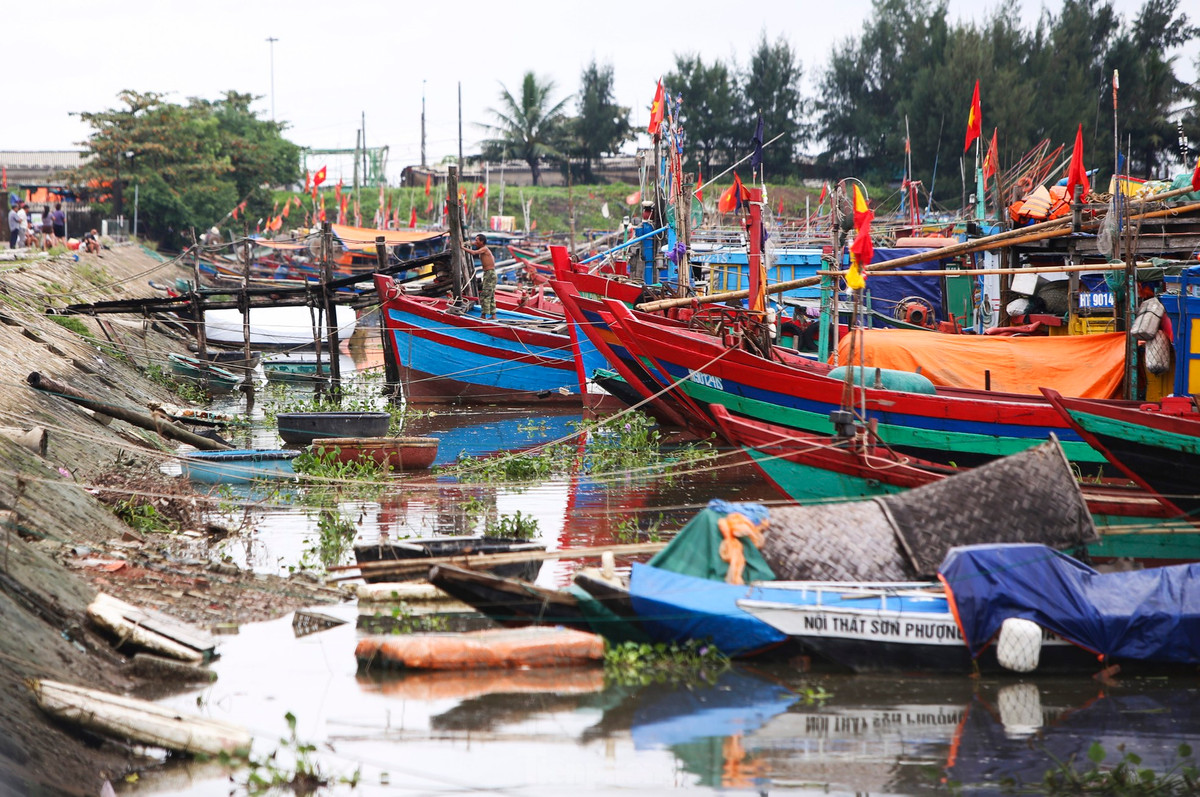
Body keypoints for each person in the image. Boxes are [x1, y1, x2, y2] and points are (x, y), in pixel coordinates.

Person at [463, 233, 497, 319]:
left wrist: (462, 247)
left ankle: (483, 315)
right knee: (490, 294)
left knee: (485, 294)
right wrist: (466, 243)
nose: (475, 242)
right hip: (489, 273)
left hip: (490, 274)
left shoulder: (484, 249)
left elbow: (474, 253)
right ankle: (493, 315)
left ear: (482, 242)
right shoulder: (483, 248)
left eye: (477, 240)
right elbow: (473, 243)